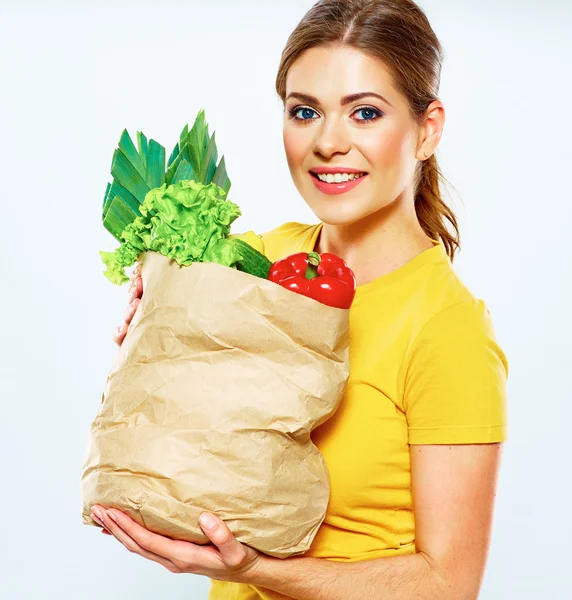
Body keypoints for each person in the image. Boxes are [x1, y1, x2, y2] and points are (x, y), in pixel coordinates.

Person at [90, 1, 508, 599]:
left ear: (427, 130)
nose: (328, 143)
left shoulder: (447, 330)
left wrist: (254, 569)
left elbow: (449, 585)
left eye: (365, 113)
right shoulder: (256, 262)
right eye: (304, 112)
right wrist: (154, 306)